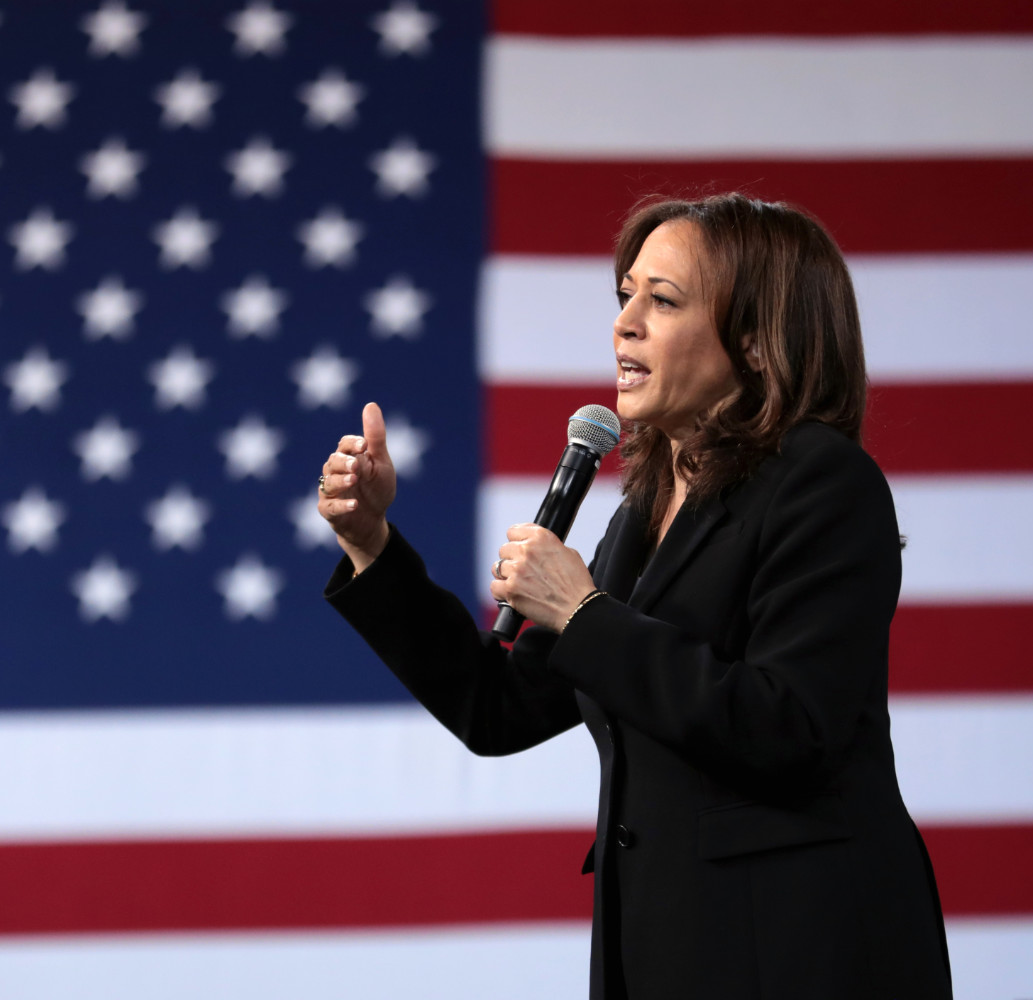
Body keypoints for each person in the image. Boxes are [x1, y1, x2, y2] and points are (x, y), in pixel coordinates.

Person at [317, 193, 952, 999]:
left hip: (798, 951)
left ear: (756, 341)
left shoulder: (823, 482)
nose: (624, 323)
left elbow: (788, 727)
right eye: (626, 296)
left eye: (664, 300)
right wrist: (372, 543)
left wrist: (584, 614)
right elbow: (498, 707)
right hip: (663, 952)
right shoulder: (645, 512)